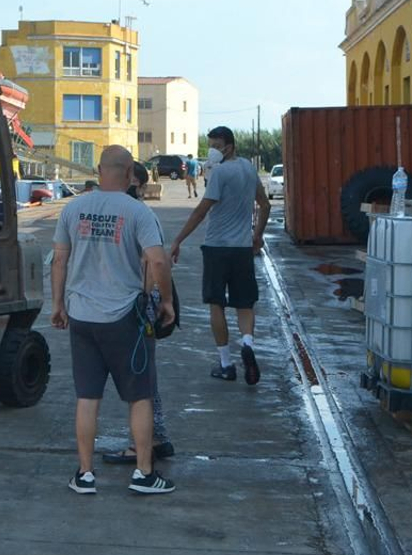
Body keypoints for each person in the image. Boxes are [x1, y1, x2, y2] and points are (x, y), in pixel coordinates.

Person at [51, 146, 176, 496]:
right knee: (140, 396)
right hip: (125, 318)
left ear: (99, 169)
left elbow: (59, 260)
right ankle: (144, 474)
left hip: (81, 316)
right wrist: (165, 301)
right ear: (129, 173)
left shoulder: (73, 208)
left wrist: (58, 304)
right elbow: (159, 262)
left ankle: (85, 474)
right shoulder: (137, 212)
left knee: (87, 396)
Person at [170, 126, 271, 384]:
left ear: (229, 146)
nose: (212, 151)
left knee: (217, 304)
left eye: (216, 146)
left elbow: (201, 211)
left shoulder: (221, 173)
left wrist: (178, 240)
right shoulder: (249, 168)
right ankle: (247, 343)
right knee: (245, 303)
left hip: (216, 248)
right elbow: (265, 204)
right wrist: (257, 236)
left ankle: (226, 363)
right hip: (242, 249)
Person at [103, 161, 174, 467]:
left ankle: (141, 446)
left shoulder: (131, 214)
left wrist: (145, 299)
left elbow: (151, 263)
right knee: (145, 375)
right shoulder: (143, 214)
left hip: (135, 302)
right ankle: (157, 437)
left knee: (136, 378)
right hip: (144, 299)